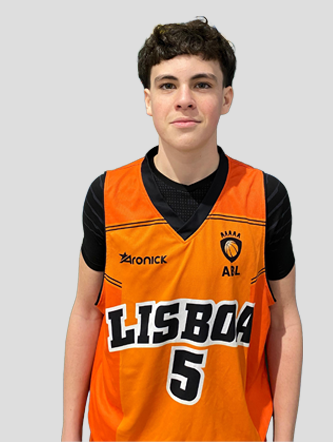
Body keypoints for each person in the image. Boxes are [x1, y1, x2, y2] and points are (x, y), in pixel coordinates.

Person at [62, 17, 302, 442]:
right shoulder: (108, 195)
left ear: (226, 98)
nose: (184, 100)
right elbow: (86, 313)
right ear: (148, 99)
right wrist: (69, 433)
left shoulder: (264, 196)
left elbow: (284, 320)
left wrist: (285, 437)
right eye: (168, 85)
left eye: (202, 84)